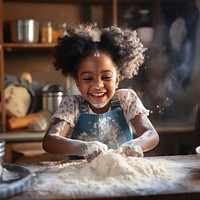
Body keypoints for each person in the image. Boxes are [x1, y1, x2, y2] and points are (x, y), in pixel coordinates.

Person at [42, 24, 159, 162]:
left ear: (117, 80)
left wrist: (136, 145)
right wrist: (84, 147)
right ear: (77, 81)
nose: (98, 85)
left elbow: (151, 135)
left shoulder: (126, 100)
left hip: (121, 172)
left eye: (106, 77)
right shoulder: (72, 105)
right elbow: (50, 141)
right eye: (87, 78)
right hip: (81, 176)